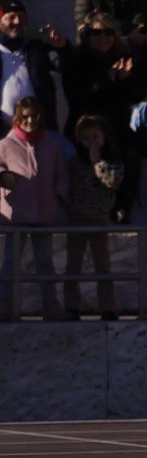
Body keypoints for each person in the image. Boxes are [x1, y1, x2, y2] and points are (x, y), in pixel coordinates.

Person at [62, 12, 145, 222]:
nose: (103, 37)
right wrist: (110, 79)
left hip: (116, 128)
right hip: (85, 127)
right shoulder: (77, 60)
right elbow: (80, 98)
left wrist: (124, 80)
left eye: (109, 32)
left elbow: (137, 94)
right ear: (88, 36)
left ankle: (122, 208)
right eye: (97, 33)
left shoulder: (123, 58)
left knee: (131, 157)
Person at [0, 97, 69, 320]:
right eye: (25, 117)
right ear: (18, 118)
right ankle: (6, 308)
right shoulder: (5, 146)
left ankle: (51, 307)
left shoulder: (52, 145)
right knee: (10, 264)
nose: (30, 121)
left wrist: (59, 197)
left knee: (45, 263)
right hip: (16, 215)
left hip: (44, 214)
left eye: (34, 116)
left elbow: (62, 176)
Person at [64, 115, 123, 320]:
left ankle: (108, 308)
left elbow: (113, 181)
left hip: (99, 219)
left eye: (95, 137)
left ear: (104, 137)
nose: (91, 142)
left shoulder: (112, 162)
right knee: (73, 266)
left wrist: (97, 162)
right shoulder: (73, 163)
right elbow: (66, 187)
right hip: (76, 219)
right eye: (86, 138)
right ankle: (71, 307)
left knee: (103, 266)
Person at [0, 0, 68, 136]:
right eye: (11, 17)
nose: (18, 21)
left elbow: (65, 66)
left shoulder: (37, 48)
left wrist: (62, 48)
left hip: (38, 131)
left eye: (21, 17)